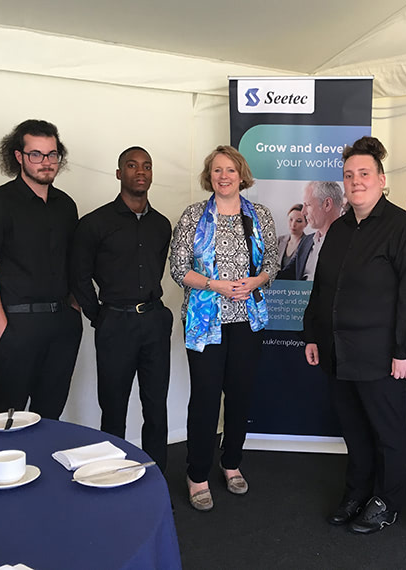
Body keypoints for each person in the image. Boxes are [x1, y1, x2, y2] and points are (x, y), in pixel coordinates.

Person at [303, 136, 406, 534]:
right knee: (354, 429)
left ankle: (388, 500)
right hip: (337, 350)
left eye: (364, 174)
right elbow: (322, 287)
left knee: (389, 431)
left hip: (381, 354)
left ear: (381, 178)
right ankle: (357, 491)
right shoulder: (339, 228)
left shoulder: (402, 227)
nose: (356, 181)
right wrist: (312, 335)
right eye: (349, 175)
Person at [170, 145, 278, 511]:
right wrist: (214, 285)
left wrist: (255, 281)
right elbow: (177, 268)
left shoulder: (258, 215)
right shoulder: (193, 216)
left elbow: (272, 264)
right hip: (206, 320)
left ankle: (231, 463)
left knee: (240, 395)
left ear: (241, 174)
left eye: (230, 169)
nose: (224, 176)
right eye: (217, 170)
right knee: (204, 397)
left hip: (247, 319)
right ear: (209, 176)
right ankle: (197, 473)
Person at [0, 119, 82, 419]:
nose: (46, 162)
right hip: (16, 325)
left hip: (62, 325)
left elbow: (73, 261)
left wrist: (73, 308)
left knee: (50, 415)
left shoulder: (66, 206)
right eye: (36, 154)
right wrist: (3, 332)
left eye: (52, 154)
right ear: (18, 156)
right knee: (8, 417)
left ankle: (42, 467)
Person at [71, 146, 173, 470]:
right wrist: (100, 315)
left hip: (154, 323)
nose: (140, 171)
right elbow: (78, 276)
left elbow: (156, 268)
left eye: (146, 166)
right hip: (115, 324)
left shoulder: (161, 224)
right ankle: (110, 478)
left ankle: (156, 486)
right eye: (132, 165)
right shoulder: (94, 223)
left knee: (156, 408)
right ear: (119, 173)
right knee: (113, 409)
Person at [293, 180, 344, 280]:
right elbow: (287, 274)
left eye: (307, 205)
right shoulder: (306, 241)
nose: (303, 212)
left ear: (327, 204)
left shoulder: (352, 243)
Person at [276, 203, 307, 277]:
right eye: (291, 219)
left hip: (297, 286)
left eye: (299, 221)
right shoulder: (280, 241)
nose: (293, 224)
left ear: (306, 223)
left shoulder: (308, 243)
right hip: (277, 285)